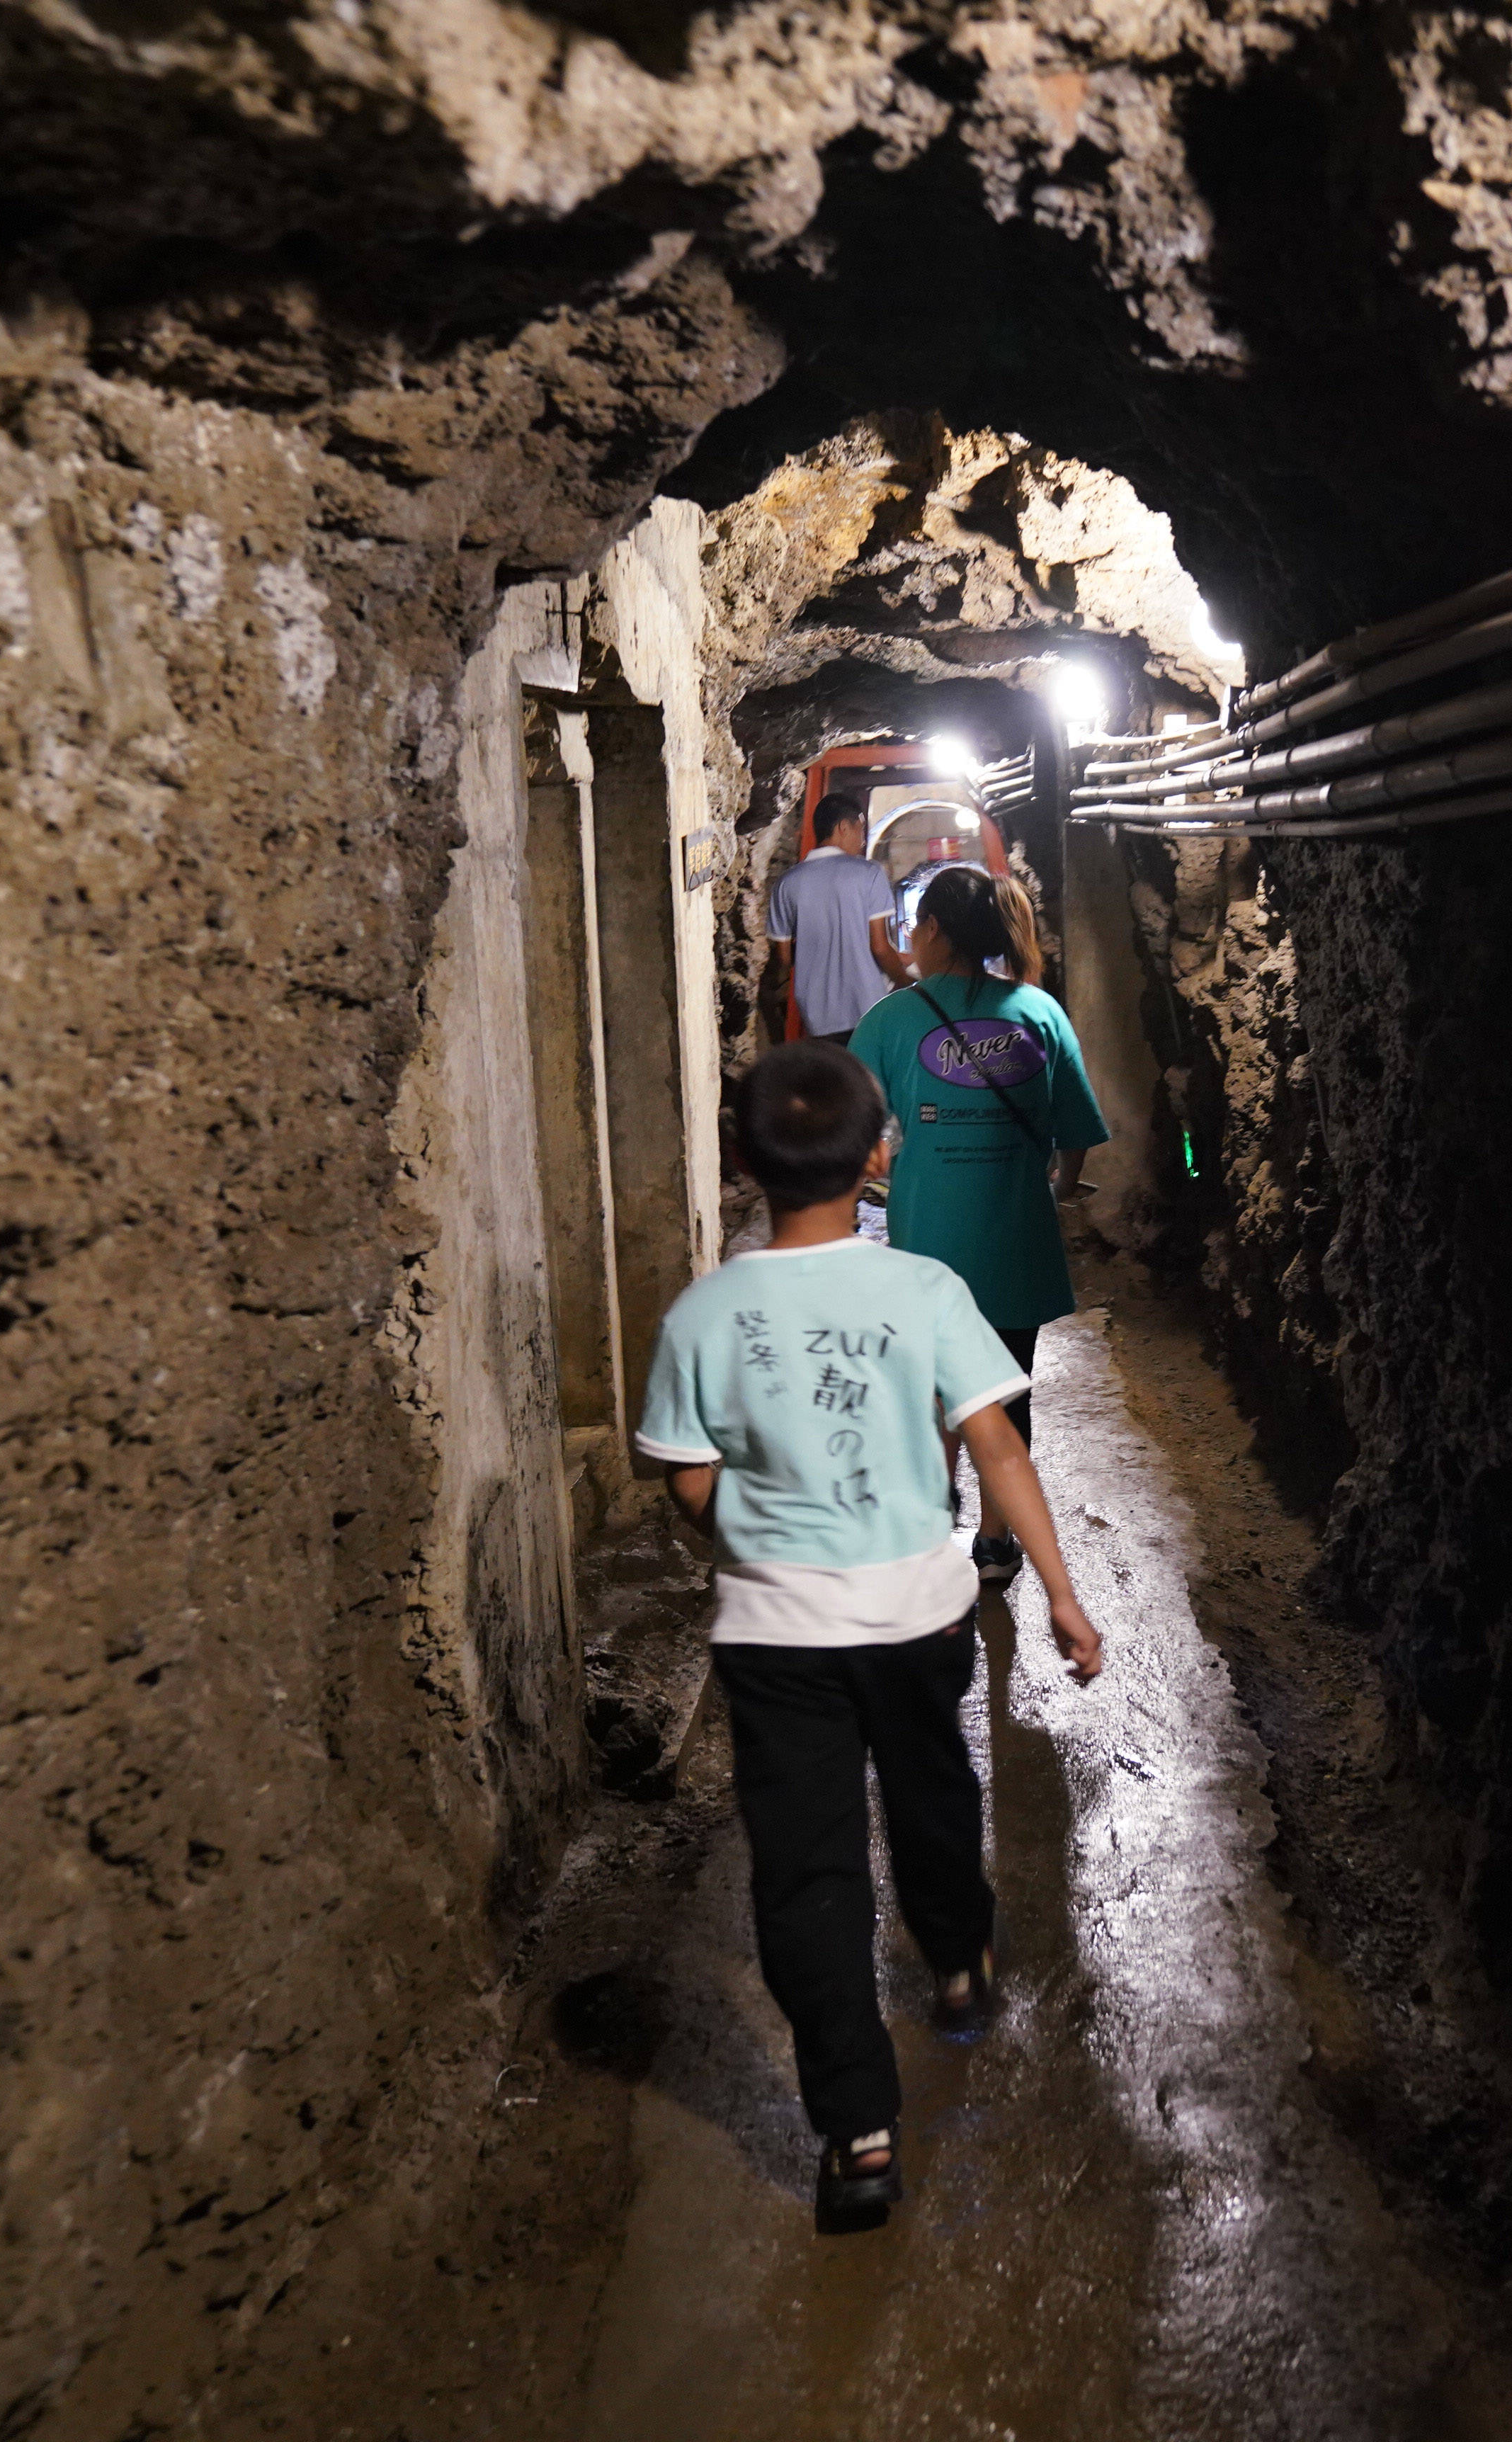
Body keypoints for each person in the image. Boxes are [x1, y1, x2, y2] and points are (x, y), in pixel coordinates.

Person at [634, 1042, 1105, 2237]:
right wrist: (1058, 1591)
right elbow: (998, 1445)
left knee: (807, 1873)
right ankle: (956, 1955)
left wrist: (750, 1538)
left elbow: (685, 1477)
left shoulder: (707, 1311)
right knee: (935, 1795)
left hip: (774, 1635)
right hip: (915, 1615)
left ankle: (856, 2130)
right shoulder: (926, 1292)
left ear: (743, 1160)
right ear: (881, 1154)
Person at [845, 863, 1109, 1584]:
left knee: (933, 1394)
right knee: (1004, 1389)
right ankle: (995, 1542)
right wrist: (1049, 1188)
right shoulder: (1038, 1012)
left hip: (929, 1238)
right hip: (1014, 1233)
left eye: (912, 926)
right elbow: (1074, 1130)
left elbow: (854, 1127)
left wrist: (884, 1172)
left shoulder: (890, 1019)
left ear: (931, 929)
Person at [764, 805, 908, 1042]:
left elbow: (785, 958)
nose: (862, 842)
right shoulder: (869, 873)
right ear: (843, 828)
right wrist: (906, 983)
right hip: (870, 1009)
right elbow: (880, 947)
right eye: (860, 832)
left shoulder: (786, 883)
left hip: (817, 1017)